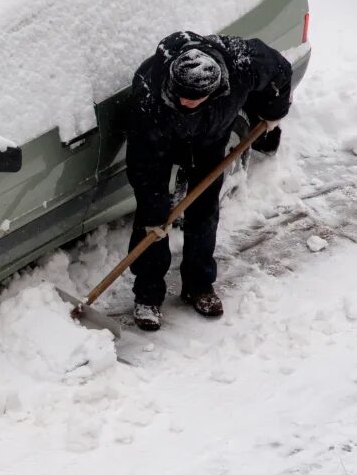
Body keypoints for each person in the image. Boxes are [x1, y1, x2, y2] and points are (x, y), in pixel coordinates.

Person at [123, 31, 292, 332]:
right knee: (154, 221)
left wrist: (272, 113)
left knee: (204, 210)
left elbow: (279, 71)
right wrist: (153, 211)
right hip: (160, 143)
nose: (185, 102)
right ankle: (147, 295)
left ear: (215, 89)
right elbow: (142, 162)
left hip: (210, 139)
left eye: (194, 98)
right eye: (180, 95)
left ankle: (199, 285)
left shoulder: (241, 63)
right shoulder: (150, 94)